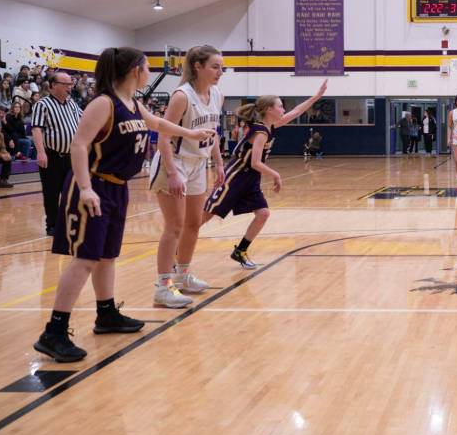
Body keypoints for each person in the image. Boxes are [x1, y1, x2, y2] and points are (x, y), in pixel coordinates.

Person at [32, 47, 214, 362]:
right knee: (85, 259)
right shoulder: (104, 103)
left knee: (107, 257)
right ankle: (54, 331)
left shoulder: (134, 103)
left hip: (117, 187)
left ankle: (106, 314)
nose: (148, 71)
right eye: (146, 66)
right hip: (93, 185)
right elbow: (79, 145)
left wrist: (190, 132)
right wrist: (86, 189)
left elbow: (158, 123)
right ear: (134, 70)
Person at [203, 81, 327, 269]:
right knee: (205, 217)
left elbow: (296, 112)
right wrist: (275, 175)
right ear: (270, 109)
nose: (284, 109)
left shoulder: (271, 126)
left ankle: (240, 251)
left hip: (250, 179)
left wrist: (316, 96)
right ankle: (178, 249)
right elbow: (255, 162)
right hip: (234, 177)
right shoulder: (260, 131)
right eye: (280, 106)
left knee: (263, 214)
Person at [148, 46, 225, 308]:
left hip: (198, 163)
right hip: (175, 161)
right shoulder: (182, 96)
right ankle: (163, 286)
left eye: (221, 67)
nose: (220, 72)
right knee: (175, 225)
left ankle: (182, 276)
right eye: (215, 66)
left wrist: (219, 162)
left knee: (193, 223)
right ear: (198, 66)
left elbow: (212, 132)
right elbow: (163, 136)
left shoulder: (217, 94)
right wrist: (172, 172)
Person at [31, 71, 82, 236]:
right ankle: (52, 225)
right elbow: (37, 128)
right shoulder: (42, 104)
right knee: (51, 193)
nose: (70, 87)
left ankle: (69, 222)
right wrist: (40, 152)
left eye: (70, 84)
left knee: (72, 192)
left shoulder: (72, 103)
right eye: (66, 84)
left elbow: (85, 119)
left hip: (72, 157)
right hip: (52, 156)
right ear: (53, 85)